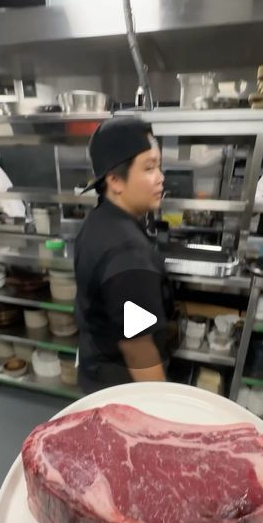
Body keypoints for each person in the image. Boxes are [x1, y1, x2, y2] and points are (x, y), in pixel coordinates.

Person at [74, 117, 175, 394]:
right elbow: (138, 348)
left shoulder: (98, 220)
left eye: (159, 166)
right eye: (149, 168)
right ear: (115, 180)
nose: (160, 177)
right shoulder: (128, 255)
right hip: (119, 385)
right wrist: (160, 403)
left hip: (94, 367)